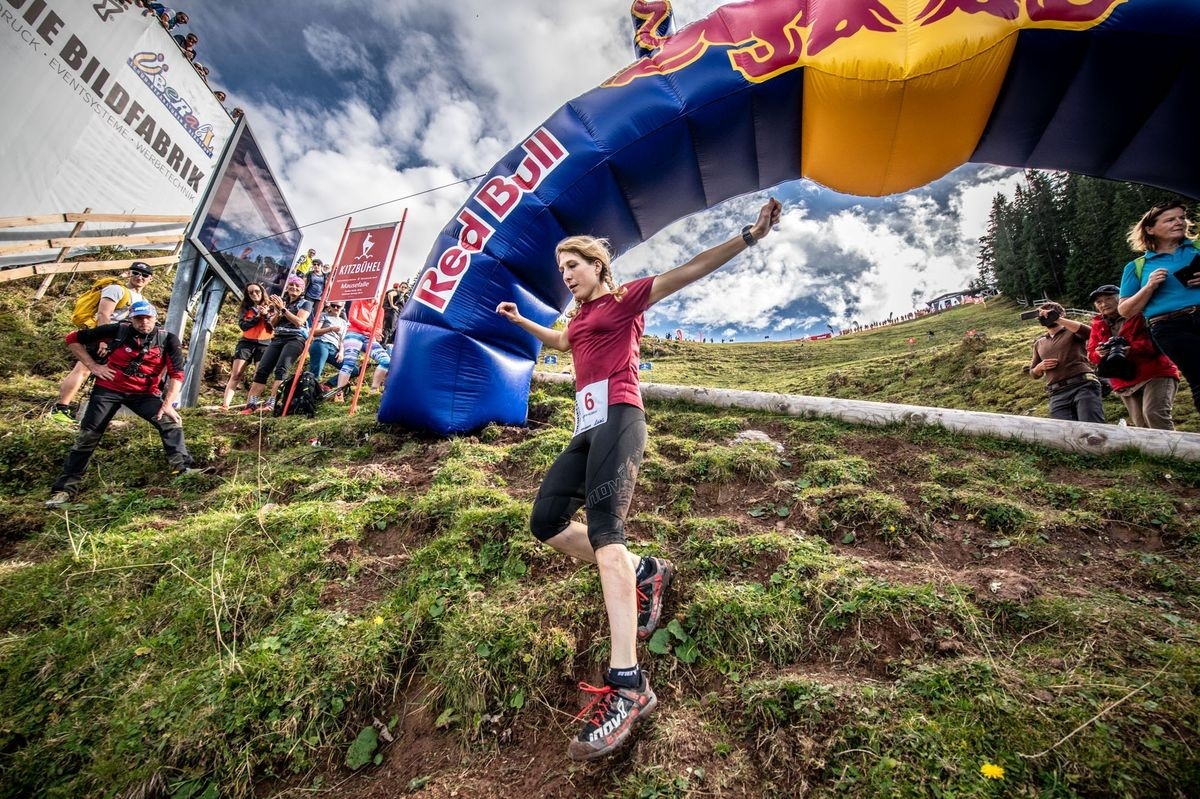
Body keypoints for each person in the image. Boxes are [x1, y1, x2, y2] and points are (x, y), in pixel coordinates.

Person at [495, 197, 782, 761]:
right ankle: (646, 570)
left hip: (621, 417)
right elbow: (562, 343)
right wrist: (520, 321)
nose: (566, 276)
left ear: (597, 265)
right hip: (586, 425)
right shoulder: (577, 320)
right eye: (561, 269)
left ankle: (628, 683)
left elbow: (691, 268)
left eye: (573, 265)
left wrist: (750, 236)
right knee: (546, 521)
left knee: (607, 538)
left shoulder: (625, 299)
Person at [45, 301, 201, 507]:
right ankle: (65, 489)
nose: (144, 322)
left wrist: (168, 404)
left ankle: (183, 469)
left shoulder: (168, 340)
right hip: (108, 390)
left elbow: (177, 374)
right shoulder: (117, 330)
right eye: (139, 318)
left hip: (144, 394)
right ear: (131, 319)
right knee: (87, 436)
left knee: (170, 421)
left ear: (155, 318)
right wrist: (93, 366)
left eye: (148, 318)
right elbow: (72, 338)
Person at [1117, 203, 1200, 415]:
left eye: (1181, 217)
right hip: (1170, 327)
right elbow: (1125, 310)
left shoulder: (1198, 248)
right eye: (1170, 220)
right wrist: (1149, 287)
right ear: (1150, 229)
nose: (1179, 222)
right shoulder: (1137, 266)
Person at [48, 262, 154, 427]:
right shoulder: (116, 290)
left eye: (144, 275)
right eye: (136, 273)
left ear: (150, 279)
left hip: (119, 341)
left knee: (103, 374)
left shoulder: (142, 299)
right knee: (83, 370)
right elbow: (103, 313)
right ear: (129, 273)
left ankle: (92, 412)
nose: (140, 277)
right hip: (104, 337)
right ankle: (60, 409)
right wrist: (103, 340)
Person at [1086, 284, 1179, 430]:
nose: (1104, 304)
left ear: (1121, 298)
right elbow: (1091, 353)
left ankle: (1174, 445)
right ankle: (1157, 447)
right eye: (1099, 302)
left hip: (1155, 372)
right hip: (1123, 379)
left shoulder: (1141, 314)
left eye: (1109, 298)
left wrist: (1132, 349)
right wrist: (1099, 354)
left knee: (1154, 413)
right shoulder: (1098, 324)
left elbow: (1159, 339)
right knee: (1141, 426)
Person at [240, 277, 312, 414]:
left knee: (281, 369)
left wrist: (283, 309)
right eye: (291, 284)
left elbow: (299, 322)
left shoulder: (305, 303)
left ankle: (272, 402)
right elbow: (273, 324)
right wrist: (278, 311)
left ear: (302, 289)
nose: (294, 287)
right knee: (262, 369)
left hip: (295, 339)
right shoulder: (283, 301)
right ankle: (251, 404)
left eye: (297, 286)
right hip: (278, 337)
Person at [1029, 301, 1105, 423]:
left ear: (1061, 314)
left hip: (1083, 385)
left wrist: (1058, 319)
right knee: (1065, 431)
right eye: (1042, 314)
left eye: (1049, 313)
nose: (1046, 316)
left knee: (1091, 426)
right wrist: (1039, 368)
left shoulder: (1072, 331)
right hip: (1056, 393)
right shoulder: (1039, 343)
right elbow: (1033, 373)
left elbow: (1090, 332)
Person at [220, 282, 274, 411]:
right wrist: (257, 317)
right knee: (236, 374)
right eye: (251, 292)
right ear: (248, 295)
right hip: (246, 342)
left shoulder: (272, 306)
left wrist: (266, 315)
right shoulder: (246, 307)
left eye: (257, 291)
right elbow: (243, 325)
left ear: (262, 292)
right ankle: (225, 404)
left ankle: (251, 404)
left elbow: (273, 326)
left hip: (265, 343)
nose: (254, 294)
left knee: (258, 375)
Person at [328, 299, 391, 396]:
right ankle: (339, 394)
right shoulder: (358, 301)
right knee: (349, 363)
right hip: (354, 334)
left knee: (386, 360)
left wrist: (377, 333)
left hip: (369, 337)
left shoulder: (380, 309)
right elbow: (352, 318)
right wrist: (370, 329)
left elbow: (379, 326)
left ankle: (374, 390)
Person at [307, 302, 346, 381]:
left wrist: (341, 352)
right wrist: (330, 329)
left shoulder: (344, 322)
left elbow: (342, 339)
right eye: (333, 305)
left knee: (351, 369)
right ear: (330, 306)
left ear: (342, 307)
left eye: (338, 306)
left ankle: (328, 385)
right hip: (321, 343)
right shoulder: (324, 315)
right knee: (315, 374)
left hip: (334, 349)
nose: (335, 308)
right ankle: (309, 388)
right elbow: (314, 332)